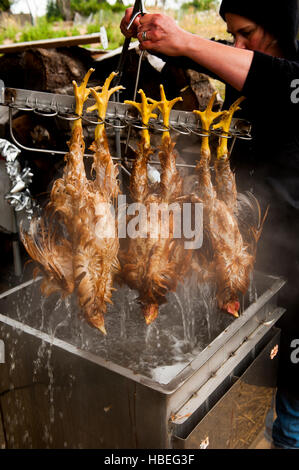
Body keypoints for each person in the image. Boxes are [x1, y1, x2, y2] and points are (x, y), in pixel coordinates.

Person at [120, 0, 299, 449]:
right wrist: (158, 38)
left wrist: (184, 39)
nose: (238, 44)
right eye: (232, 34)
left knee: (293, 404)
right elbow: (217, 57)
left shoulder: (288, 75)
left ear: (280, 26)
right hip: (255, 250)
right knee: (250, 376)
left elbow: (277, 81)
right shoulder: (252, 64)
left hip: (297, 263)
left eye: (248, 33)